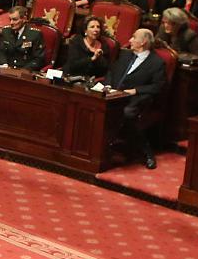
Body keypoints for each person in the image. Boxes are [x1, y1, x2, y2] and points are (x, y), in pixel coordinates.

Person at [106, 28, 168, 168]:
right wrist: (108, 86)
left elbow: (158, 86)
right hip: (113, 94)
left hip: (136, 99)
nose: (130, 40)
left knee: (126, 113)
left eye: (134, 37)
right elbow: (111, 71)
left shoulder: (157, 62)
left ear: (143, 42)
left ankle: (146, 152)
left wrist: (136, 90)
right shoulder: (125, 55)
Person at [59, 16, 112, 81]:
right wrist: (91, 59)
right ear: (85, 30)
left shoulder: (104, 46)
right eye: (92, 27)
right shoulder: (76, 42)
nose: (96, 30)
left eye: (98, 27)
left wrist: (99, 58)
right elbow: (72, 65)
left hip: (89, 81)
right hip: (71, 76)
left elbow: (104, 69)